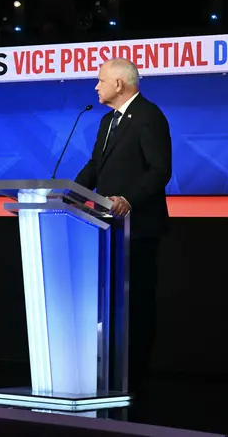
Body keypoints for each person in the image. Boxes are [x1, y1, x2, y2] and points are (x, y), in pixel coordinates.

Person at [75, 57, 172, 391]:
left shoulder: (149, 116)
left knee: (137, 302)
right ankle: (111, 373)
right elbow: (95, 166)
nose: (96, 85)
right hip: (107, 227)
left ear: (119, 84)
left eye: (100, 80)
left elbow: (160, 171)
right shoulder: (106, 122)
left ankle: (136, 377)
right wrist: (67, 195)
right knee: (110, 302)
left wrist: (128, 198)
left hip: (139, 227)